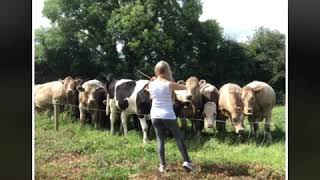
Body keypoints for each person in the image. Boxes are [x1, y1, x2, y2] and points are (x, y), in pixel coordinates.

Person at [148, 60, 192, 173]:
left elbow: (152, 98)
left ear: (156, 71)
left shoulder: (151, 84)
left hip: (155, 115)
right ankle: (187, 162)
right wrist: (185, 84)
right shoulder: (169, 84)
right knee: (178, 137)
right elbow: (184, 88)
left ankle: (162, 166)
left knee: (160, 140)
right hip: (168, 115)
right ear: (167, 70)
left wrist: (152, 83)